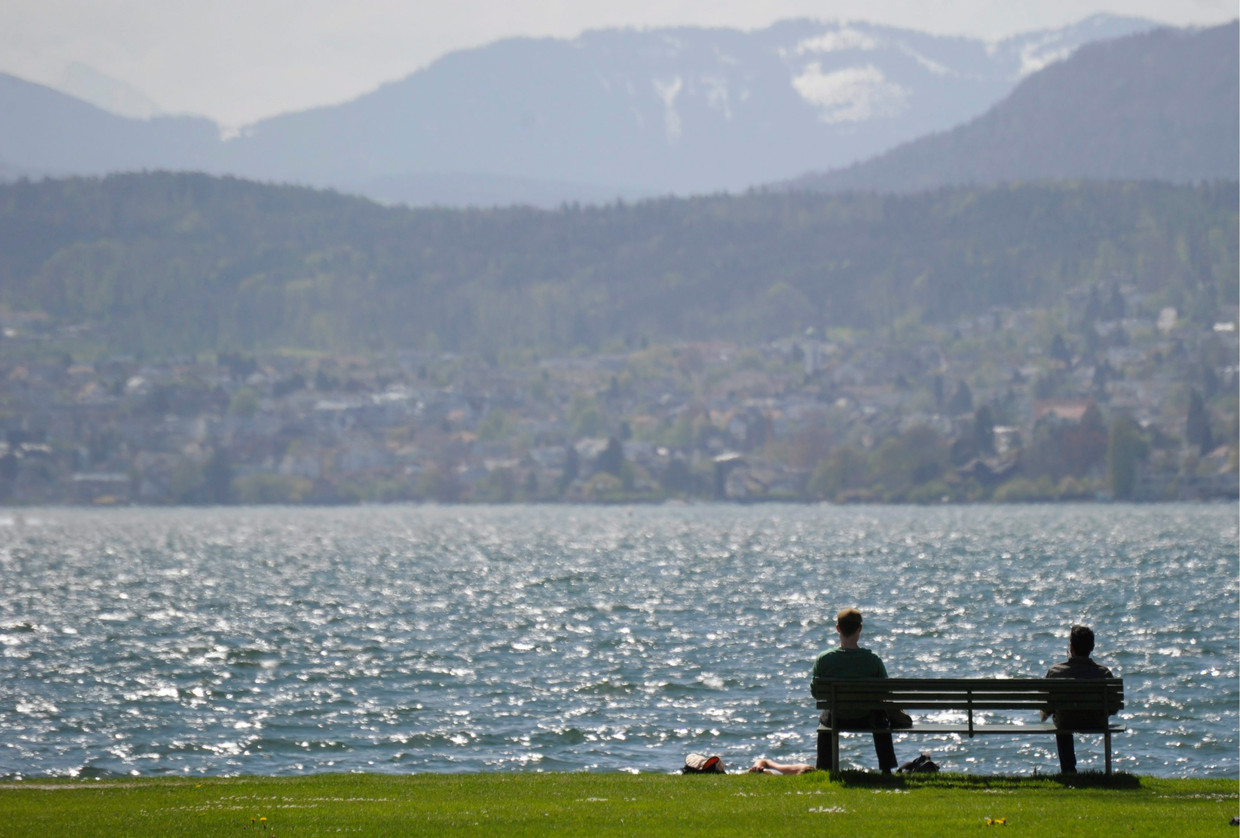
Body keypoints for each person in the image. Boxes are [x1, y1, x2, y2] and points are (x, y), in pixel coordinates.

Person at [811, 607, 898, 773]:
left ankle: (824, 768)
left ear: (838, 628)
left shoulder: (824, 660)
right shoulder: (873, 660)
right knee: (881, 715)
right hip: (867, 717)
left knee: (825, 717)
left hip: (837, 717)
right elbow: (886, 692)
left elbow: (816, 692)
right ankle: (886, 769)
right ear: (860, 628)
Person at [1041, 624, 1116, 773]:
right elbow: (1114, 708)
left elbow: (1046, 708)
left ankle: (1068, 770)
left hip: (1065, 721)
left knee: (1062, 719)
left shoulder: (1055, 671)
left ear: (1071, 647)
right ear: (1092, 647)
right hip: (1095, 721)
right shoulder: (1104, 673)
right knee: (1064, 716)